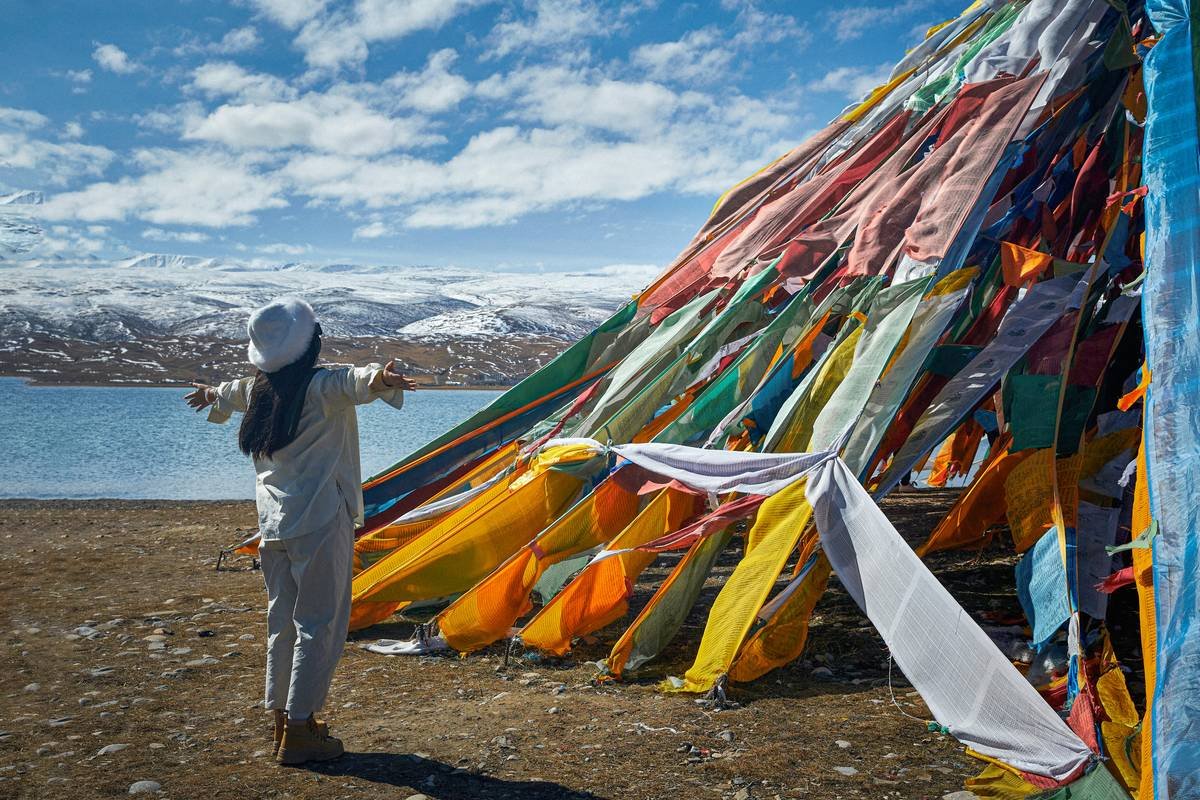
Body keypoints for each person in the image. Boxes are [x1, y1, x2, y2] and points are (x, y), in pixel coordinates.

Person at [184, 297, 415, 766]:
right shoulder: (320, 387)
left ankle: (284, 721)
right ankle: (301, 730)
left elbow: (229, 392)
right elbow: (358, 381)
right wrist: (384, 379)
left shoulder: (259, 391)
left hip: (272, 526)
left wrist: (210, 394)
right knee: (319, 624)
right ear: (310, 345)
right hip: (320, 519)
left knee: (282, 622)